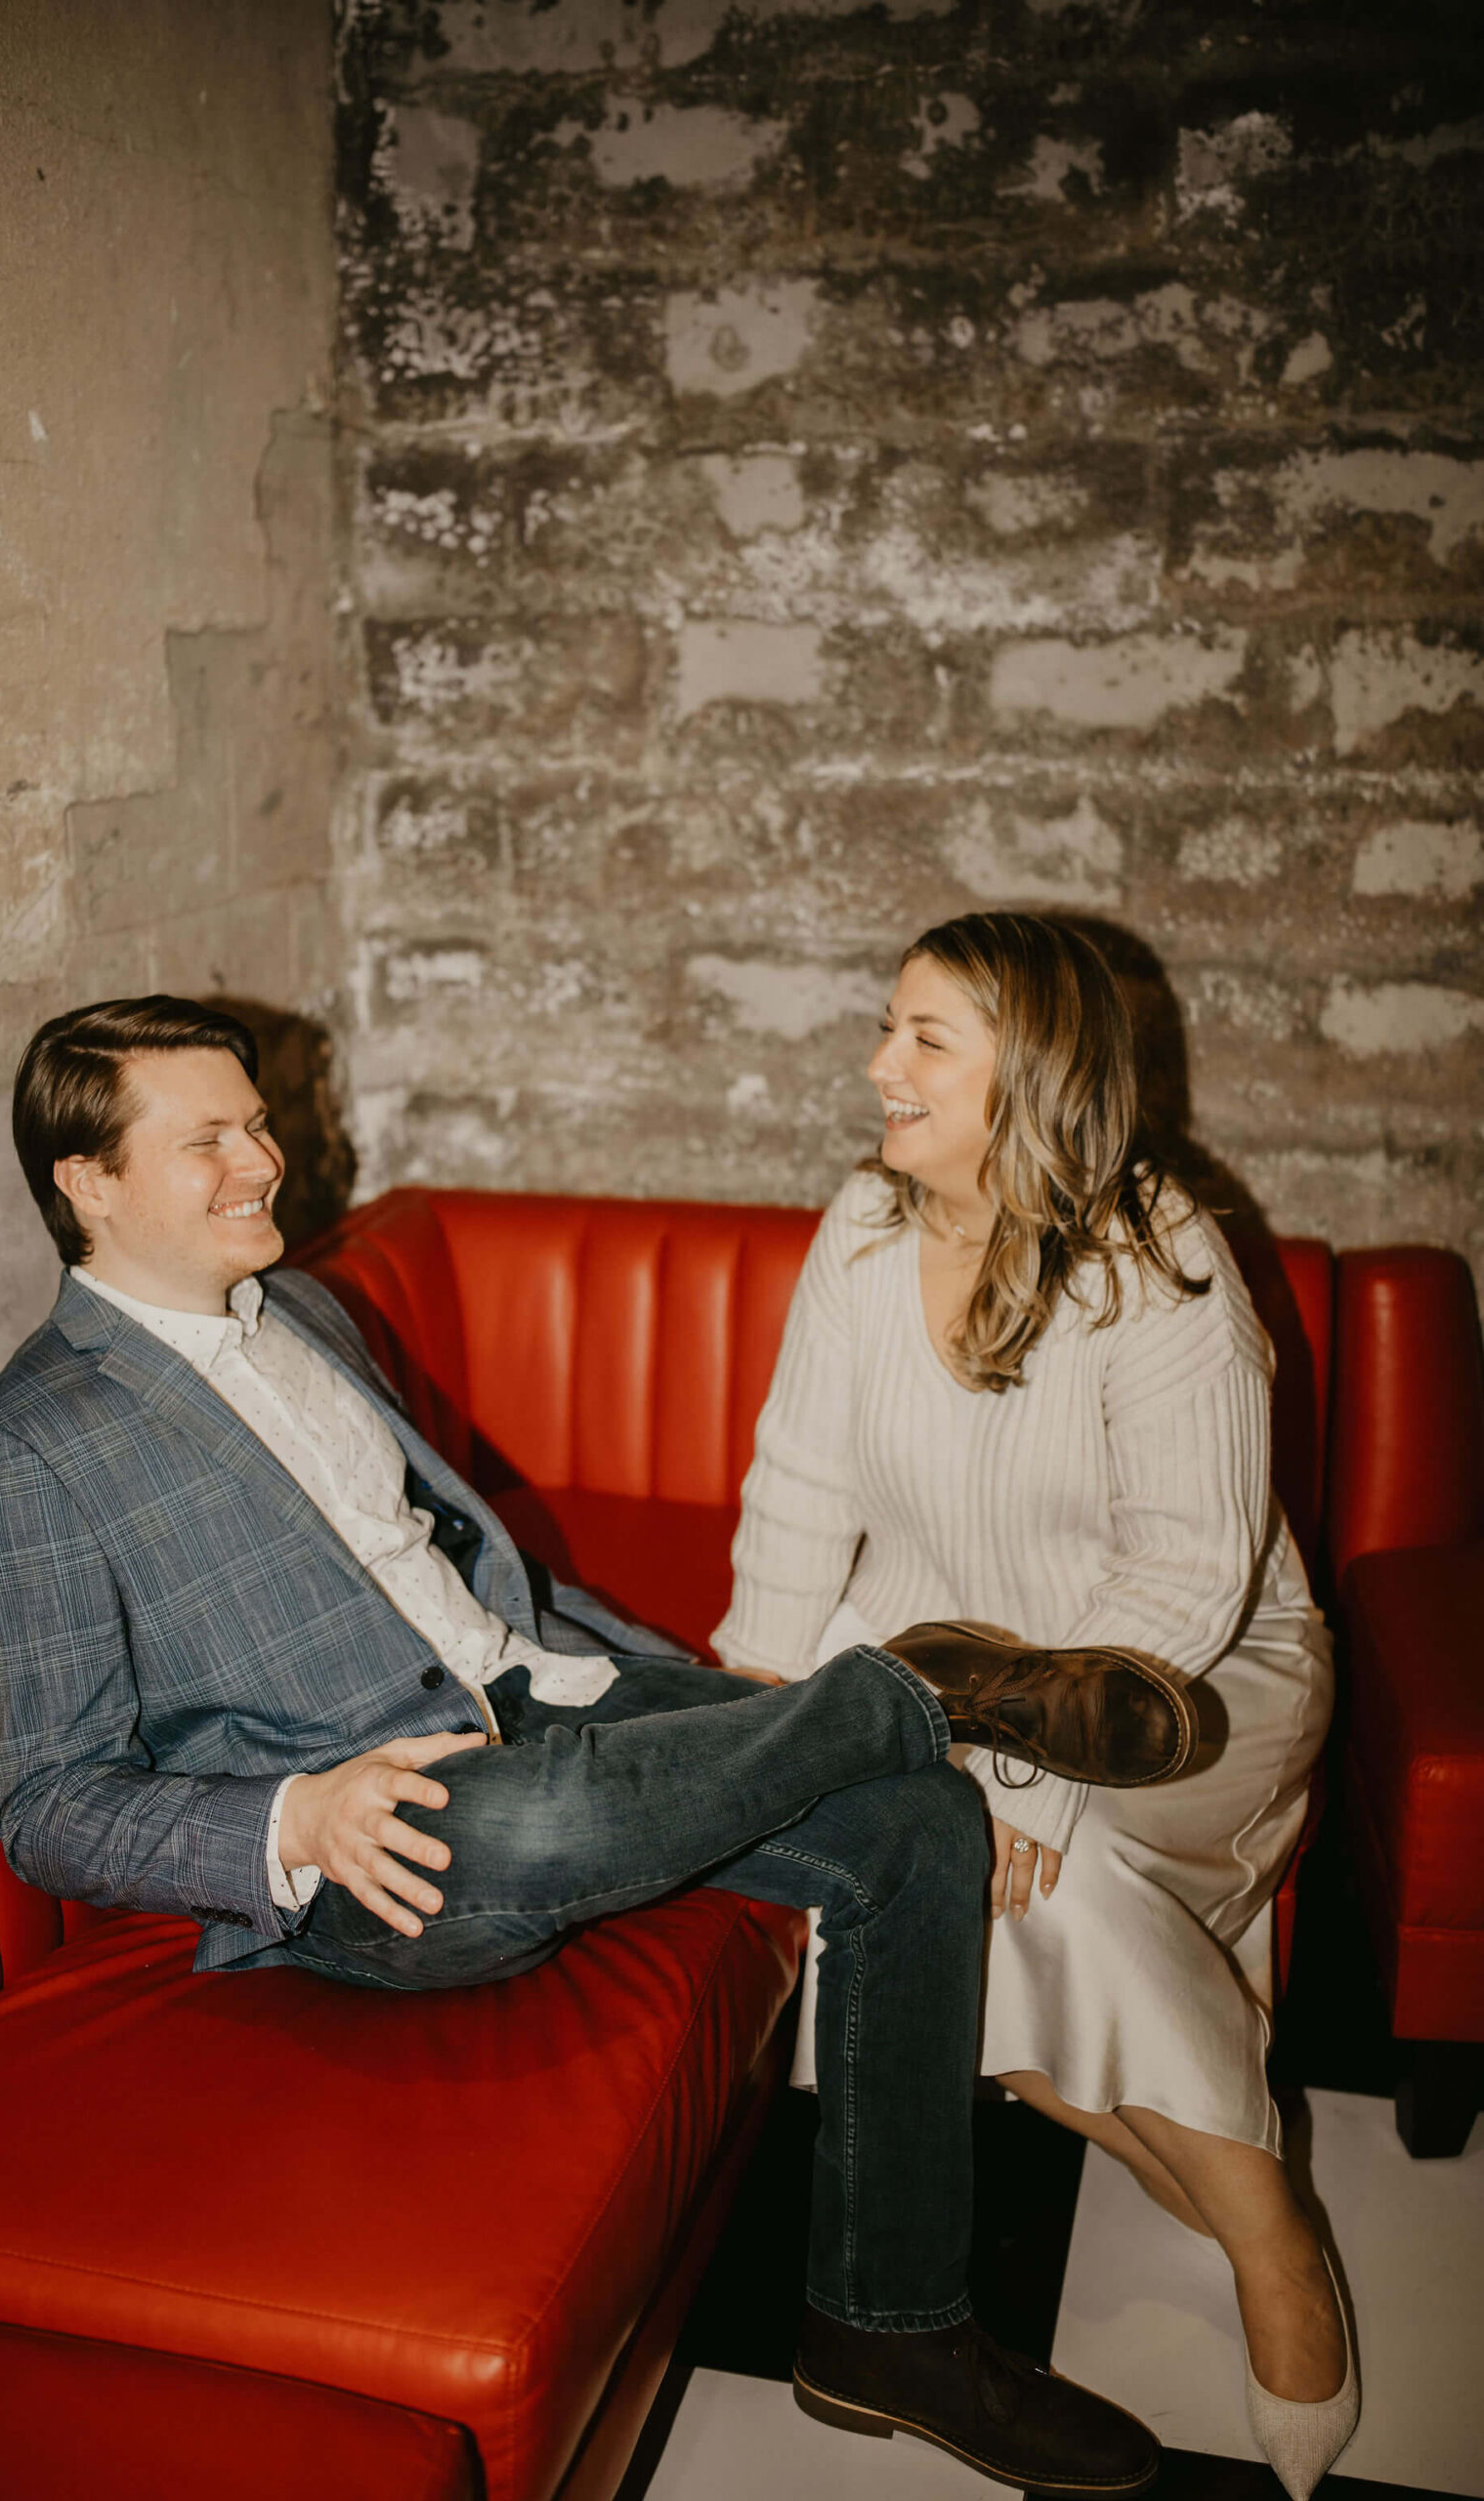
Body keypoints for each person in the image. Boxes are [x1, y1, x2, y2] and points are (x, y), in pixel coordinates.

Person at [0, 995, 1199, 2501]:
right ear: (88, 1181)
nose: (262, 1159)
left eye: (255, 1120)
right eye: (205, 1139)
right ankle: (908, 1685)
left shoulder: (307, 1309)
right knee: (519, 1828)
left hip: (532, 1690)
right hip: (376, 1838)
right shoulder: (18, 1449)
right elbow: (49, 1804)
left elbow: (465, 1574)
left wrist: (666, 1685)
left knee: (918, 1823)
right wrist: (291, 1820)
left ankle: (889, 2331)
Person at [713, 911, 1357, 2501]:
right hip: (940, 1657)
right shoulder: (861, 1227)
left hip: (1194, 1684)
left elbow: (1190, 1580)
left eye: (927, 1037)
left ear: (1041, 1073)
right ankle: (1202, 2154)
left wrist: (1009, 1782)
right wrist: (757, 1723)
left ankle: (1273, 2235)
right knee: (901, 1886)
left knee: (1042, 1891)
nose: (880, 1067)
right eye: (890, 1027)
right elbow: (797, 1488)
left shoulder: (1163, 1262)